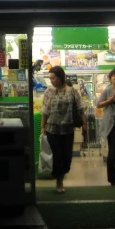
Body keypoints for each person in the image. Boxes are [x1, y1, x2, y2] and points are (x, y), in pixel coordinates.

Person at [40, 66, 86, 194]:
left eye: (53, 78)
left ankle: (61, 173)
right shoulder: (48, 92)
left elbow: (80, 108)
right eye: (50, 78)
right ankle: (59, 181)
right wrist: (43, 127)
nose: (51, 81)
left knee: (67, 157)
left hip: (68, 129)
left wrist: (84, 124)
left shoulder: (72, 91)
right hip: (52, 129)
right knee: (57, 155)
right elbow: (45, 111)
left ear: (60, 77)